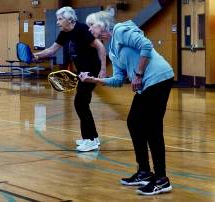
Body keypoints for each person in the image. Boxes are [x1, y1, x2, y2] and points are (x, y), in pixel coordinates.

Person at [78, 11, 174, 195]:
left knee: (152, 128)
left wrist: (138, 74)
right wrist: (94, 80)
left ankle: (161, 179)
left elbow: (146, 46)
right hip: (145, 85)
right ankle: (144, 171)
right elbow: (118, 79)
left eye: (92, 24)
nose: (89, 28)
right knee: (134, 123)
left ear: (103, 24)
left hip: (159, 78)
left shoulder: (121, 30)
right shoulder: (113, 50)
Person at [34, 7, 107, 152]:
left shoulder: (81, 29)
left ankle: (90, 140)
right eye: (57, 19)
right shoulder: (64, 33)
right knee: (82, 103)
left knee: (80, 103)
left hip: (90, 70)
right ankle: (92, 138)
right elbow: (52, 50)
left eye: (60, 19)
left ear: (70, 19)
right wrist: (37, 55)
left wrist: (103, 70)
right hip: (81, 71)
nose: (57, 22)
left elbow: (100, 47)